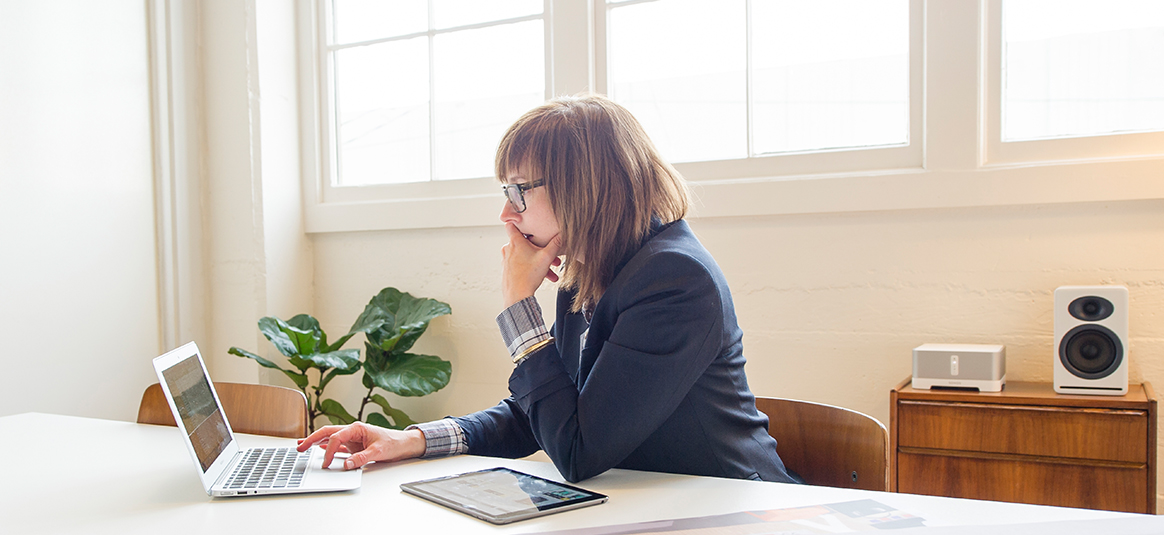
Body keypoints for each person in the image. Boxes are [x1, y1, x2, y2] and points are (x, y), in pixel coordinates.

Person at [297, 94, 796, 484]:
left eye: (519, 191)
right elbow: (541, 414)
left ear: (584, 186)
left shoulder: (676, 280)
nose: (506, 213)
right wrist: (414, 440)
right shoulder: (591, 271)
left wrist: (519, 308)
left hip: (735, 508)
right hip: (651, 503)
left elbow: (577, 450)